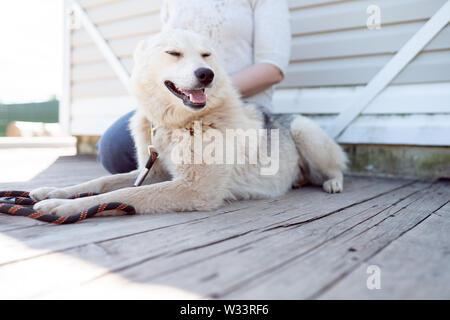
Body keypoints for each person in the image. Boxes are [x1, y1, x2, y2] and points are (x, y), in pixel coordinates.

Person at [97, 0, 291, 174]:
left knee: (199, 161)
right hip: (181, 100)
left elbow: (272, 69)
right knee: (113, 148)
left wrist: (215, 93)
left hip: (236, 104)